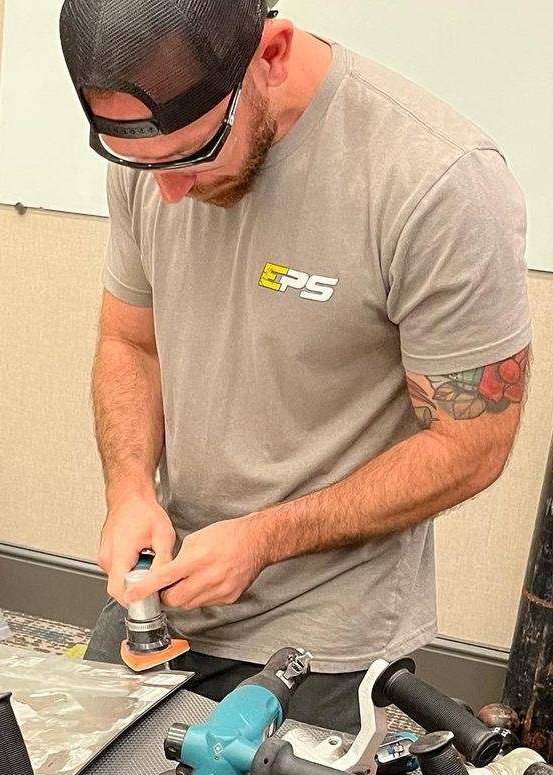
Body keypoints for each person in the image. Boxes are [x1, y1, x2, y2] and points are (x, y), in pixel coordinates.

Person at [60, 0, 530, 731]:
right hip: (169, 590)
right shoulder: (155, 154)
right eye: (143, 164)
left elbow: (471, 445)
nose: (168, 191)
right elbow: (131, 343)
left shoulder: (437, 182)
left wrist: (263, 538)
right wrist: (129, 492)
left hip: (325, 633)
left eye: (193, 154)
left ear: (272, 54)